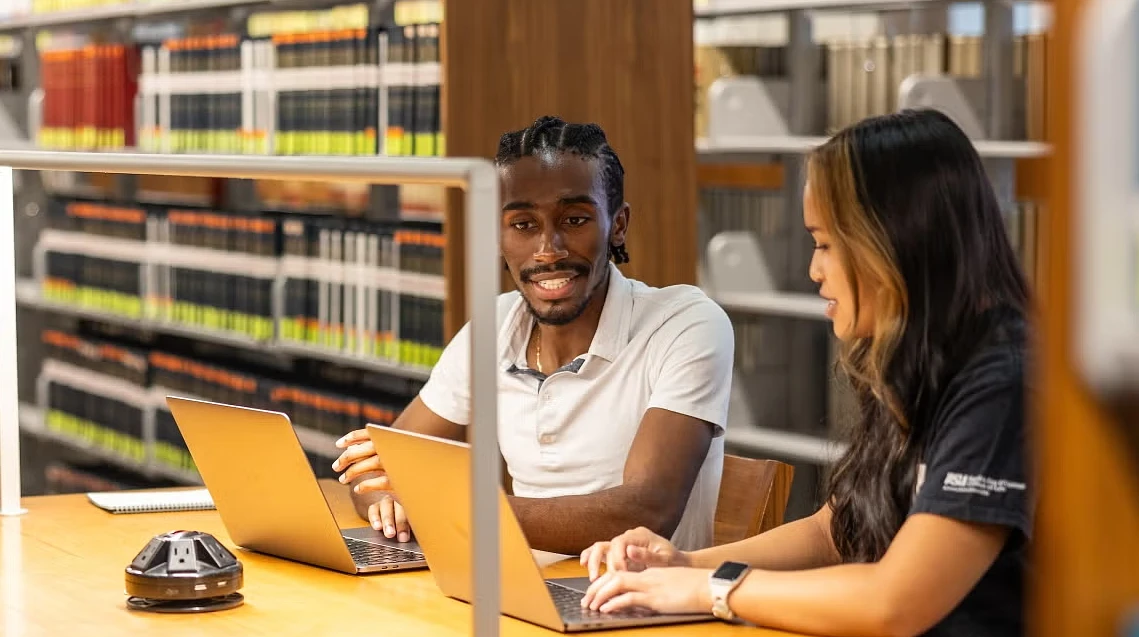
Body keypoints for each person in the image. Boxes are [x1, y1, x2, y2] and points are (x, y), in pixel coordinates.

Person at [578, 109, 1033, 637]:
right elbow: (836, 531)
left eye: (824, 244)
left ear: (895, 241)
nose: (814, 270)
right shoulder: (920, 357)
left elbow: (897, 602)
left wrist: (712, 591)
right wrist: (686, 566)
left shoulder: (1004, 383)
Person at [332, 116, 735, 555]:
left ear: (617, 225)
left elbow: (644, 511)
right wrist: (391, 500)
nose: (549, 249)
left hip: (640, 606)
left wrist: (450, 506)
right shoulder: (494, 326)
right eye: (523, 225)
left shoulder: (686, 324)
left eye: (576, 219)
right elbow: (377, 473)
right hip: (521, 591)